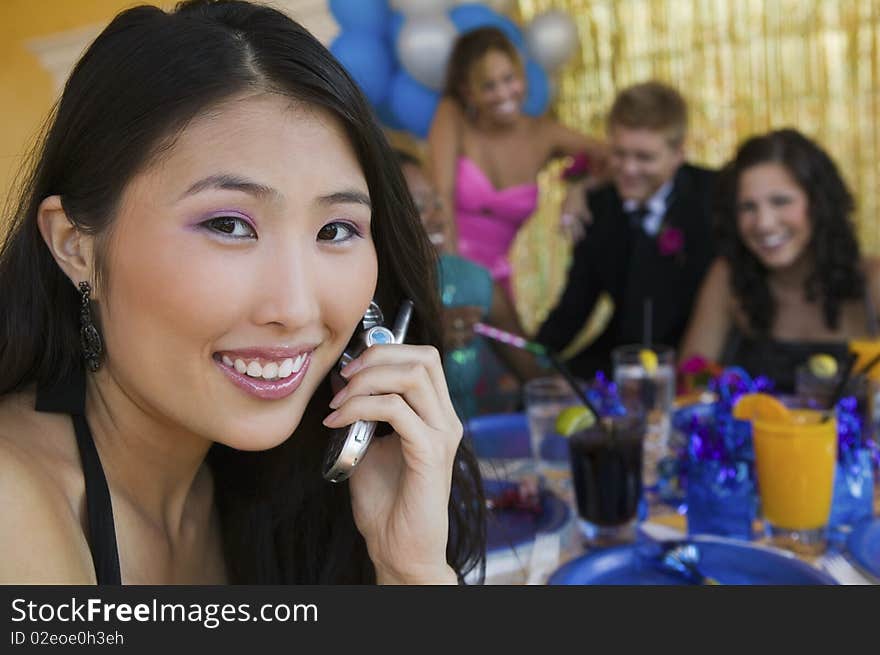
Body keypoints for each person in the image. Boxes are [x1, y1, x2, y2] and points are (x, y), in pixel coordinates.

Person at [0, 0, 485, 585]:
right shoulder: (13, 504)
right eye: (229, 225)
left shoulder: (265, 483)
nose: (297, 309)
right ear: (75, 245)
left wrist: (409, 569)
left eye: (335, 230)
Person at [535, 81, 718, 378]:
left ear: (678, 154)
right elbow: (576, 304)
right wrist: (536, 355)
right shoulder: (598, 207)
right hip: (621, 358)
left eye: (644, 157)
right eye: (619, 154)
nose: (629, 169)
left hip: (696, 358)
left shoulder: (715, 197)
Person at [679, 128, 880, 392]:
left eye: (781, 201)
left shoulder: (872, 279)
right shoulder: (728, 276)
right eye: (748, 207)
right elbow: (690, 379)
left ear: (819, 205)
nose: (763, 223)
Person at [427, 26, 607, 297]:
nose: (503, 93)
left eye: (509, 79)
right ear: (467, 91)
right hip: (446, 267)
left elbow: (616, 160)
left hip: (502, 278)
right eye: (489, 85)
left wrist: (579, 186)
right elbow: (440, 196)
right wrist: (456, 279)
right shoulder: (453, 116)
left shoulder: (545, 134)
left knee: (524, 338)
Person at [395, 150, 545, 420]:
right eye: (418, 208)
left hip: (474, 452)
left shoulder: (470, 281)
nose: (438, 218)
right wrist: (427, 339)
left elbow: (536, 376)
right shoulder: (363, 295)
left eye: (437, 204)